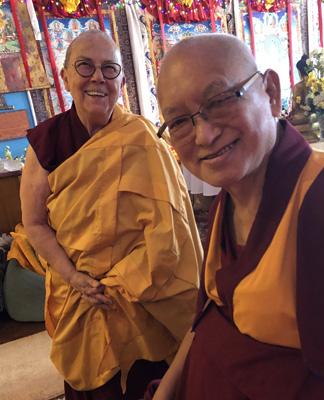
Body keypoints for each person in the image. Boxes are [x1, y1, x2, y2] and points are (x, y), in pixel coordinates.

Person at [151, 33, 324, 399]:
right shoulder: (227, 202)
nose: (203, 135)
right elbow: (207, 321)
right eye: (179, 122)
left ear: (270, 92)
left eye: (218, 101)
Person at [20, 30, 202, 399]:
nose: (97, 78)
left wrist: (125, 281)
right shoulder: (45, 144)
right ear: (66, 75)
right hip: (79, 294)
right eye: (85, 66)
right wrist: (74, 278)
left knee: (146, 383)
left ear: (121, 80)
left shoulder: (142, 139)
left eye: (110, 69)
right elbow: (35, 224)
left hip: (141, 295)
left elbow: (172, 228)